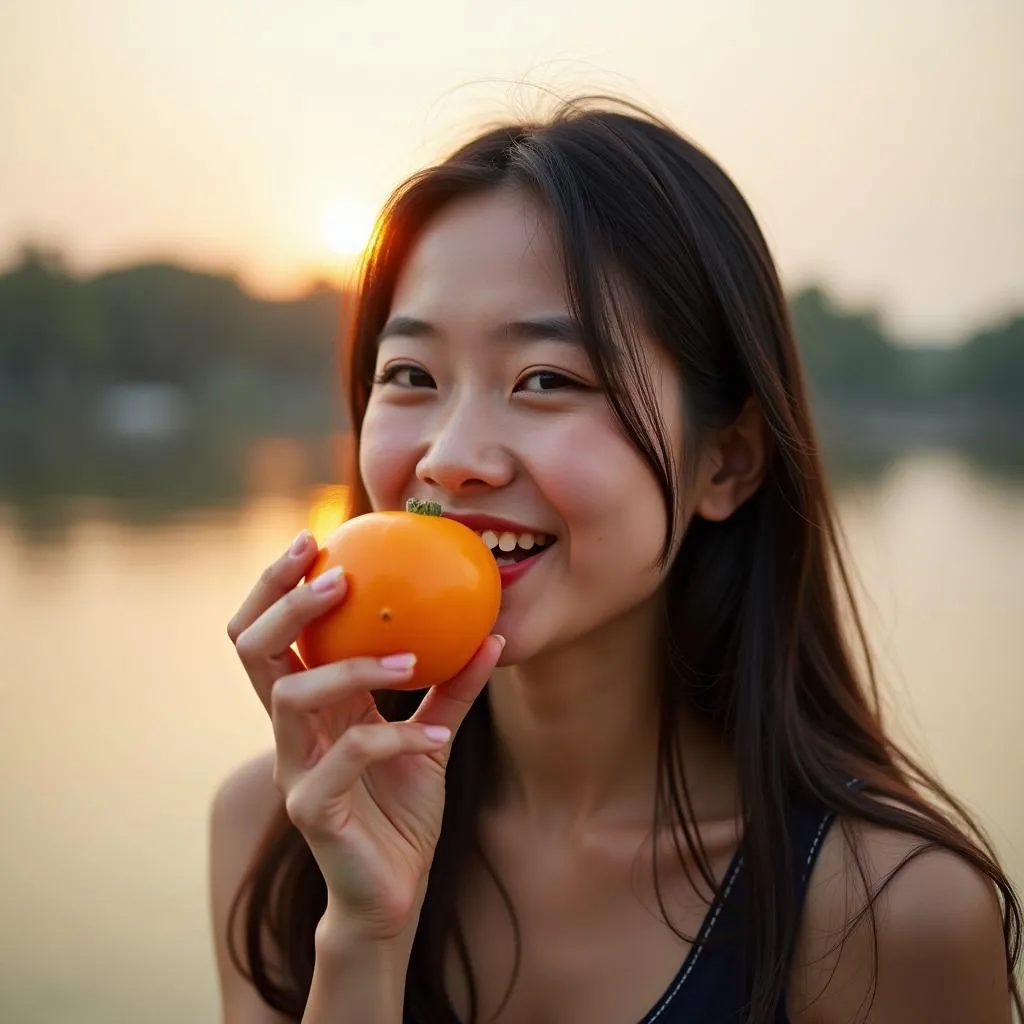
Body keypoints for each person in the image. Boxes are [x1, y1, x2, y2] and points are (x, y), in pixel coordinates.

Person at [209, 97, 1022, 1024]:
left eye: (548, 380)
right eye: (411, 375)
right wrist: (361, 936)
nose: (449, 454)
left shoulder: (890, 915)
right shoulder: (279, 832)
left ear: (728, 462)